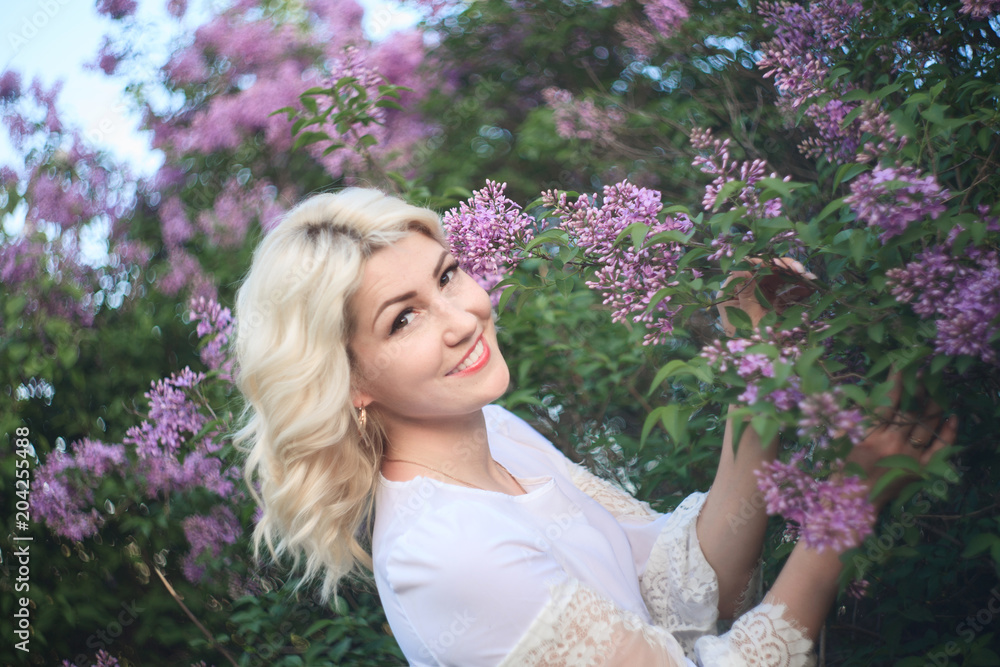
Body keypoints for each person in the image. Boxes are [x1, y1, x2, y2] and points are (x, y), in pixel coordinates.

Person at [233, 187, 956, 666]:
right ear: (351, 380)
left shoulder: (499, 428)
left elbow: (682, 588)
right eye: (405, 317)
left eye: (448, 275)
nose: (462, 319)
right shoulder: (444, 553)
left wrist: (755, 369)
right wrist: (839, 515)